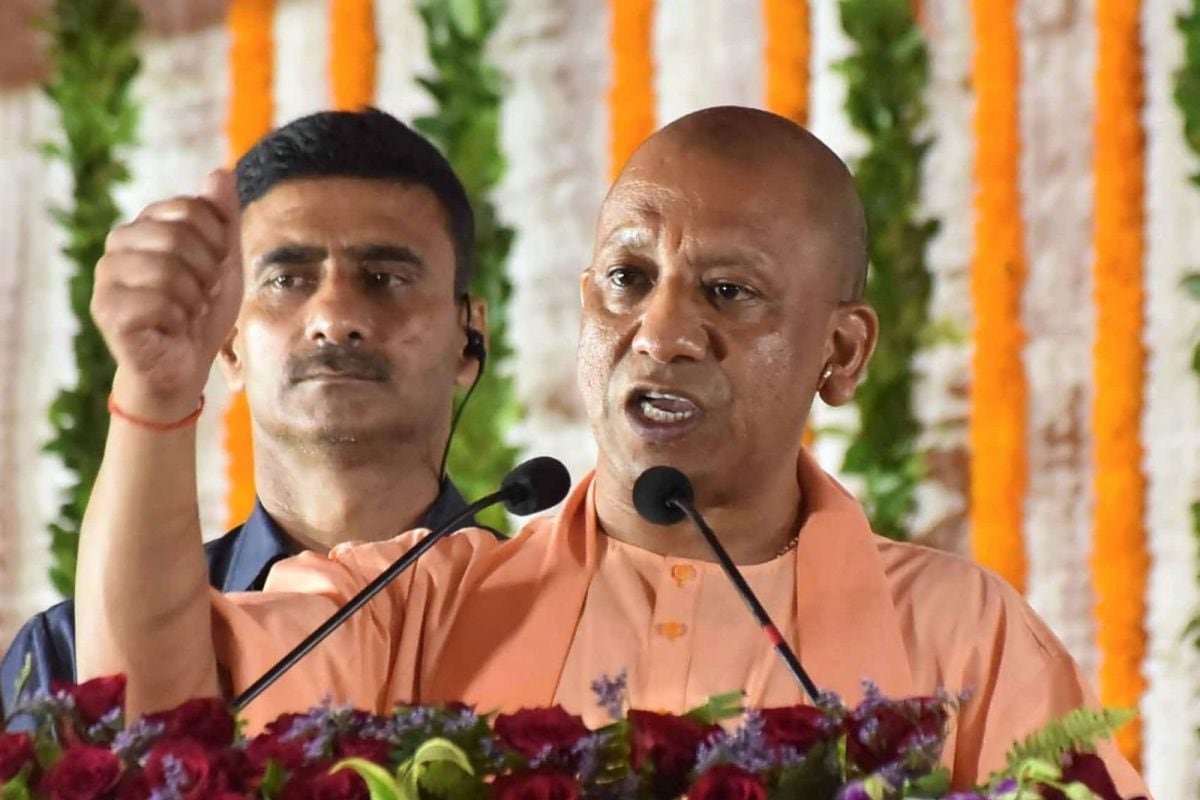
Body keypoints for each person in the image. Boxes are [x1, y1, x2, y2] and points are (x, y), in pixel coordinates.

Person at [74, 107, 1149, 794]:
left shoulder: (961, 640)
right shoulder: (423, 599)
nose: (662, 331)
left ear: (841, 350)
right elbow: (151, 726)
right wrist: (156, 397)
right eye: (629, 280)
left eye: (728, 291)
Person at [2, 108, 493, 725]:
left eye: (384, 277)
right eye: (288, 279)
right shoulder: (67, 660)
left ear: (468, 338)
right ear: (229, 345)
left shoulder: (563, 618)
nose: (334, 317)